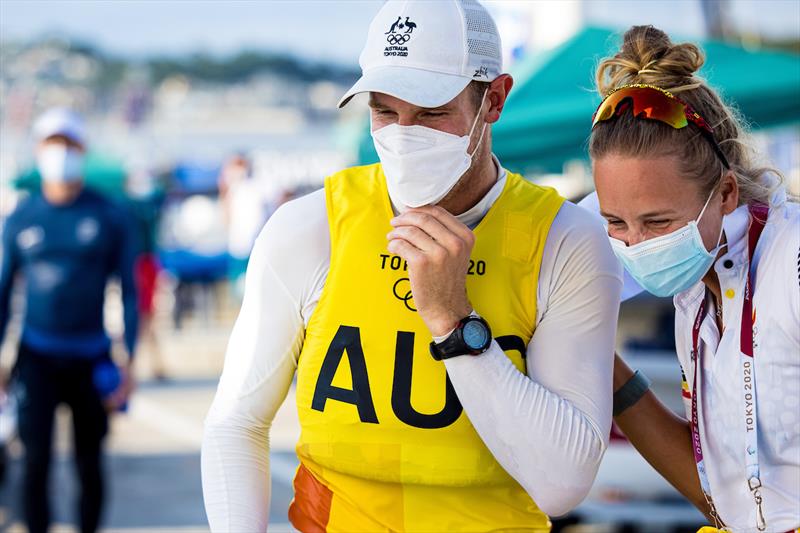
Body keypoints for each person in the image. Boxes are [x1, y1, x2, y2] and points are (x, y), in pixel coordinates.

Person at [202, 1, 622, 531]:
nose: (403, 134)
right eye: (383, 110)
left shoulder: (565, 241)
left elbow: (563, 483)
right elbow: (235, 423)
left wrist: (454, 323)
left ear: (493, 99)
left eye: (429, 113)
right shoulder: (310, 228)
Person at [588, 26, 799, 532]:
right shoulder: (695, 292)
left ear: (726, 193)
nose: (635, 244)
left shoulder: (790, 262)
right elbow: (730, 498)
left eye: (658, 222)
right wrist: (594, 351)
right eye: (615, 222)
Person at [0, 108, 139, 533]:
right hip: (37, 355)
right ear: (40, 151)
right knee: (35, 459)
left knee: (89, 461)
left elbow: (130, 292)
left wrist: (128, 361)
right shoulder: (22, 217)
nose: (61, 153)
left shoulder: (109, 215)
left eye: (69, 145)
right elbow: (3, 292)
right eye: (52, 145)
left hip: (90, 355)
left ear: (82, 150)